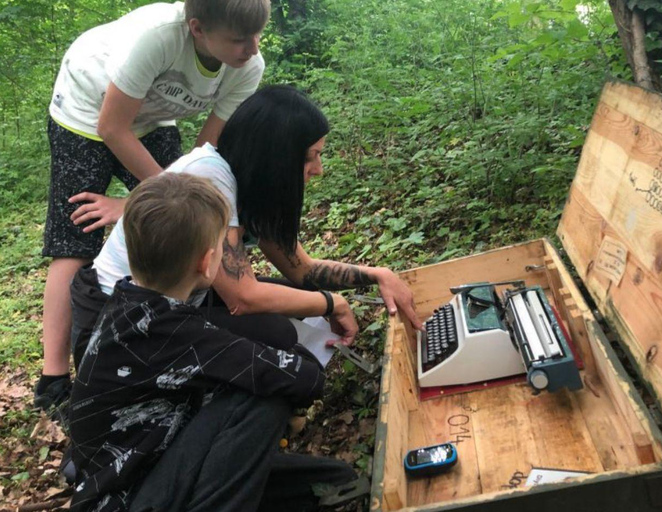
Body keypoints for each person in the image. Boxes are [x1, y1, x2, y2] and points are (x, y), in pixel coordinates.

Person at [70, 85, 423, 372]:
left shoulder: (252, 182)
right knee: (278, 332)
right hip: (117, 320)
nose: (318, 170)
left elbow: (303, 270)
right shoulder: (211, 176)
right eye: (308, 156)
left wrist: (377, 275)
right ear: (275, 155)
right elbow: (243, 298)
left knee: (292, 310)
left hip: (179, 300)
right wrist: (332, 304)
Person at [69, 172, 358, 512]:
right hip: (129, 497)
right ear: (207, 263)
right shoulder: (167, 330)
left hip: (153, 470)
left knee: (336, 481)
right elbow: (303, 378)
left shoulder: (128, 304)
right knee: (259, 395)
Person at [37, 0, 270, 413]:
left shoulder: (248, 66)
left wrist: (132, 201)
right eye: (239, 39)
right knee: (76, 235)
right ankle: (53, 378)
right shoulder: (158, 38)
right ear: (197, 29)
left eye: (257, 35)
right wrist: (147, 195)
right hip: (87, 105)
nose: (252, 49)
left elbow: (203, 154)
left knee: (183, 218)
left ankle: (171, 324)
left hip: (151, 116)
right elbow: (111, 126)